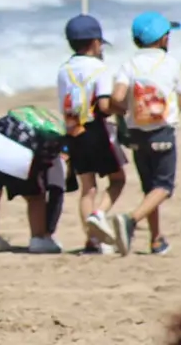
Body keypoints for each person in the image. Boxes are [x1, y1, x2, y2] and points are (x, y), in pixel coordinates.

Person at [108, 12, 181, 256]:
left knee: (149, 188)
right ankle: (131, 219)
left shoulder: (128, 65)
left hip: (137, 134)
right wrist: (171, 113)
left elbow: (116, 99)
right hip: (162, 131)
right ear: (162, 39)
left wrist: (130, 111)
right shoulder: (170, 63)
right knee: (163, 187)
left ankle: (156, 240)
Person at [56, 14, 127, 255]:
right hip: (97, 130)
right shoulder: (100, 69)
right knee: (118, 179)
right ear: (95, 43)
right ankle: (99, 214)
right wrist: (123, 108)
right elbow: (105, 105)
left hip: (73, 131)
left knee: (88, 187)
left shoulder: (64, 70)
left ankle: (92, 241)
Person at [0, 106, 69, 254]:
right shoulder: (50, 139)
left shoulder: (9, 123)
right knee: (35, 197)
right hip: (21, 156)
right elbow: (55, 190)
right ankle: (38, 239)